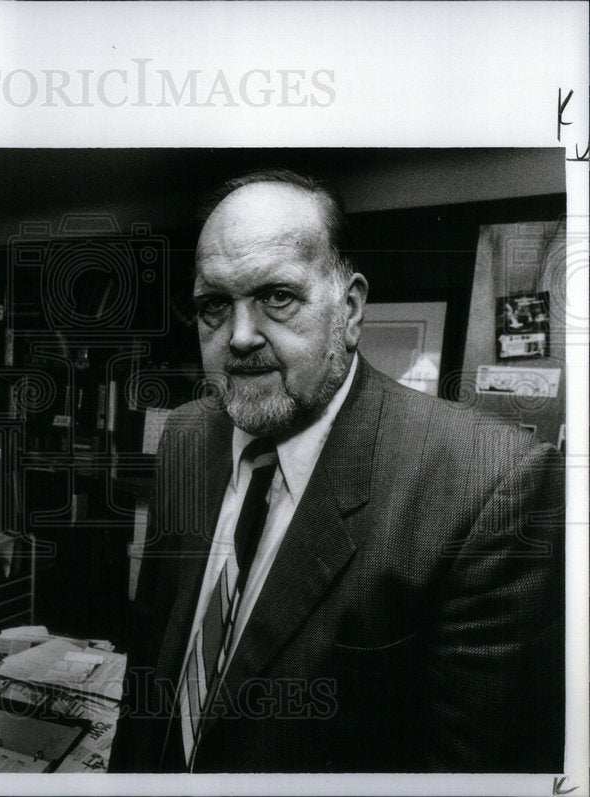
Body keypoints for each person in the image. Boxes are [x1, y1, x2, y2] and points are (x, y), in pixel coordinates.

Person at [109, 169, 564, 773]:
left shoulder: (488, 482)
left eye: (278, 297)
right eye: (214, 305)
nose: (240, 338)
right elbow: (152, 653)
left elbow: (470, 773)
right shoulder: (189, 435)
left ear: (349, 308)